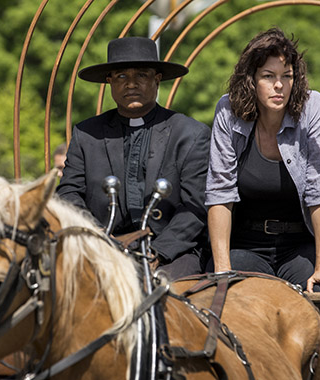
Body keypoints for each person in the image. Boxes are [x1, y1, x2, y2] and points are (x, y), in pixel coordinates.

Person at [205, 28, 320, 292]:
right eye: (268, 76)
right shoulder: (228, 111)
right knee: (228, 297)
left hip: (301, 244)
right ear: (251, 80)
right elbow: (219, 192)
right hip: (247, 245)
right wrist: (222, 270)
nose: (279, 85)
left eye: (287, 76)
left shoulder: (312, 108)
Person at [57, 36, 211, 279]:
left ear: (157, 80)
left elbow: (197, 207)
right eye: (121, 76)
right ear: (109, 83)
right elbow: (68, 193)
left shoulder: (190, 134)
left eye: (141, 75)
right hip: (103, 246)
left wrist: (157, 252)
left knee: (162, 299)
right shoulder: (87, 134)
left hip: (173, 251)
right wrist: (95, 235)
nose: (131, 84)